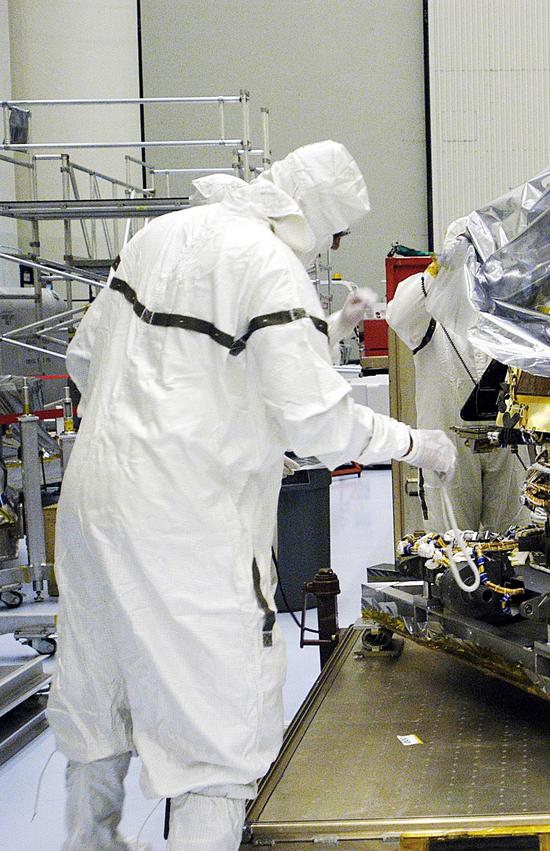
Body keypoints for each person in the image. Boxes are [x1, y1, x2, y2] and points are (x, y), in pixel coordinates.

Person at [47, 141, 457, 851]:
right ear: (316, 216)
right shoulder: (269, 265)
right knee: (217, 739)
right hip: (186, 526)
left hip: (93, 505)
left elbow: (87, 359)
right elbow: (319, 423)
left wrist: (327, 332)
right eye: (335, 234)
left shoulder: (163, 234)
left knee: (98, 705)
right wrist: (416, 444)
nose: (328, 250)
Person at [387, 246, 530, 532]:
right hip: (449, 446)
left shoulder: (509, 309)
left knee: (515, 538)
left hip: (507, 442)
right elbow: (398, 314)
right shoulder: (431, 311)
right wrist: (440, 268)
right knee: (452, 543)